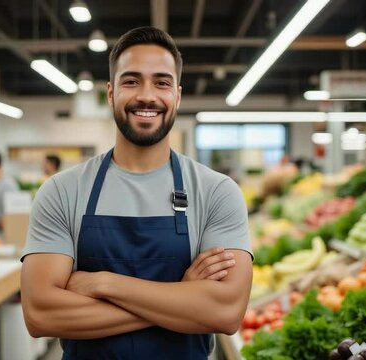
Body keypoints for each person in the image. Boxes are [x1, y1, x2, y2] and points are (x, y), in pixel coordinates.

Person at [20, 27, 253, 359]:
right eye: (131, 81)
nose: (147, 95)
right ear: (112, 93)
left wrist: (103, 284)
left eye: (162, 82)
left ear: (178, 95)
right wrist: (182, 299)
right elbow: (41, 314)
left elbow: (225, 312)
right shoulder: (62, 191)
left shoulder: (216, 192)